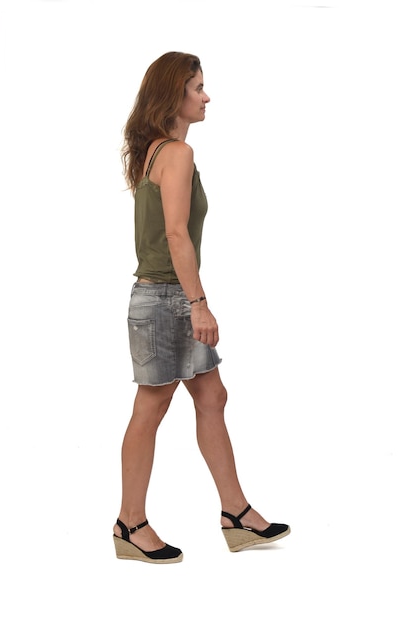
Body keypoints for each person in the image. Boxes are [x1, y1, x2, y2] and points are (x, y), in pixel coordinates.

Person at [113, 51, 290, 564]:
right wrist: (199, 305)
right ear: (174, 95)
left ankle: (236, 513)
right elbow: (173, 234)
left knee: (211, 396)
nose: (206, 96)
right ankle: (130, 523)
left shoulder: (154, 151)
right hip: (169, 297)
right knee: (151, 408)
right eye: (197, 87)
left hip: (162, 294)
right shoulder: (176, 154)